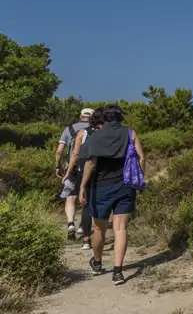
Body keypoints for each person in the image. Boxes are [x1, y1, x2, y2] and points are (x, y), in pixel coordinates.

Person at [79, 104, 145, 286]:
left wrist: (82, 186)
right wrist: (139, 181)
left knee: (99, 229)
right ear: (120, 117)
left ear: (104, 118)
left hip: (101, 187)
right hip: (125, 186)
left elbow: (90, 163)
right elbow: (141, 157)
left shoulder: (95, 136)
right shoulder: (130, 133)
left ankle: (98, 262)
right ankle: (117, 272)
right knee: (121, 228)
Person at [63, 109, 105, 250]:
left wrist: (68, 172)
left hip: (83, 171)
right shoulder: (105, 133)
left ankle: (86, 240)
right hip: (103, 172)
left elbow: (75, 154)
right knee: (101, 204)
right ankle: (101, 235)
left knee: (85, 205)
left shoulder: (82, 133)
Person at [56, 108, 93, 240]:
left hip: (70, 168)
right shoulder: (94, 129)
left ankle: (70, 223)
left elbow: (59, 151)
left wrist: (58, 166)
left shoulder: (69, 129)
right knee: (85, 198)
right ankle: (83, 225)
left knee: (70, 196)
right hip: (87, 168)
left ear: (80, 116)